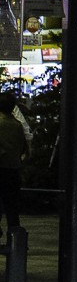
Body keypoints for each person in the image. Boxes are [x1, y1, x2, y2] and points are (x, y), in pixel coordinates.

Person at [0, 91, 30, 234]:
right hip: (13, 171)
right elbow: (24, 147)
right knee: (12, 210)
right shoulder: (17, 125)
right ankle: (16, 241)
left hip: (1, 169)